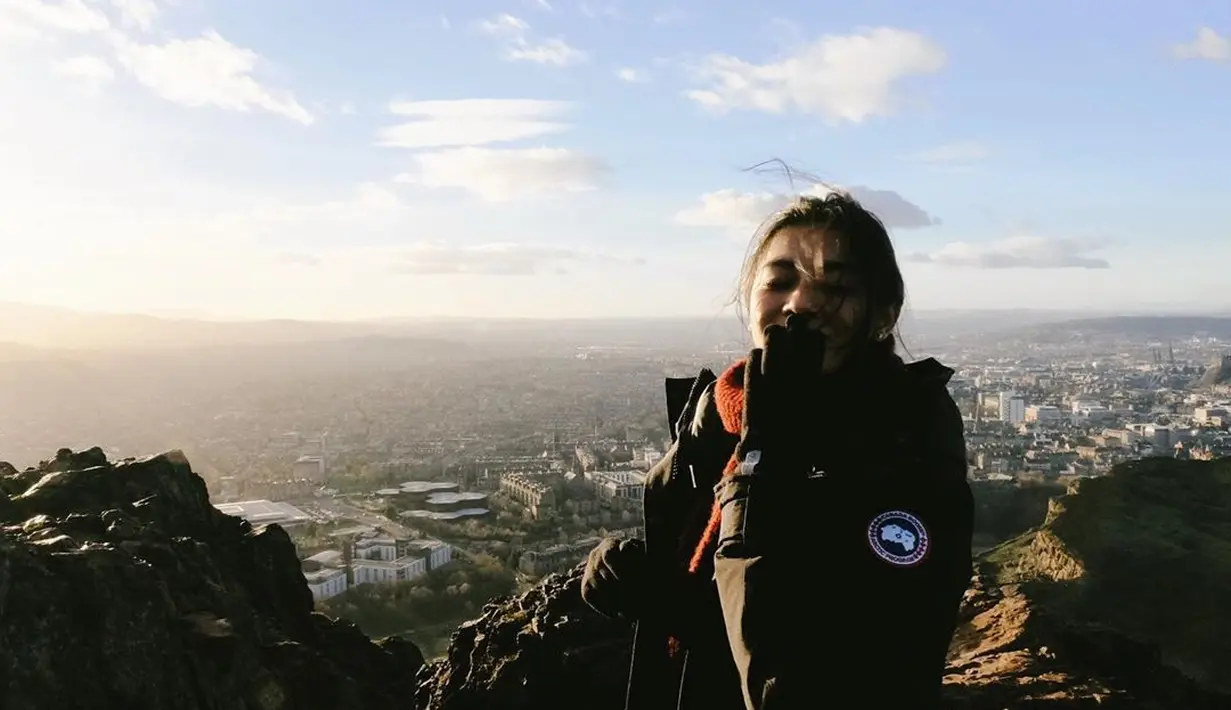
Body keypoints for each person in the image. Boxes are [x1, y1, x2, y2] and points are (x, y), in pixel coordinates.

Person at [580, 190, 974, 710]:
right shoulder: (720, 420)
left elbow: (821, 679)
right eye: (780, 280)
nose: (802, 303)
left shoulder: (906, 445)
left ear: (883, 313)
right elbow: (725, 597)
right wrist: (644, 586)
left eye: (835, 286)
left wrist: (766, 469)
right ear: (749, 301)